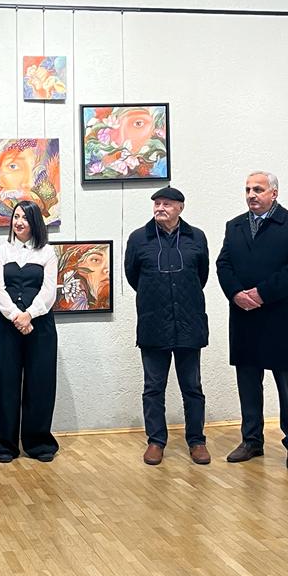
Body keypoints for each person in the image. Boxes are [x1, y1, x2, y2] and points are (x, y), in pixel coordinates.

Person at [216, 171, 288, 471]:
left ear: (274, 193)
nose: (251, 195)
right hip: (244, 316)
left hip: (281, 318)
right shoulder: (234, 226)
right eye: (247, 189)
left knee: (287, 385)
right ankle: (251, 441)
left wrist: (261, 294)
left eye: (258, 189)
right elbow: (223, 264)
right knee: (248, 383)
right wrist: (236, 293)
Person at [124, 186, 211, 466]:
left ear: (180, 208)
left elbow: (202, 276)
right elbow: (133, 277)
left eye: (167, 204)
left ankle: (196, 441)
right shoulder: (139, 238)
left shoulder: (197, 237)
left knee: (192, 387)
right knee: (153, 387)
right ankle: (156, 441)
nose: (160, 208)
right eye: (157, 203)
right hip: (153, 324)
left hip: (189, 323)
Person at [0, 200, 59, 463]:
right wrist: (16, 316)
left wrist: (30, 314)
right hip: (6, 325)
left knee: (40, 382)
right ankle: (3, 444)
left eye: (25, 218)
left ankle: (38, 442)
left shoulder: (47, 253)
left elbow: (49, 291)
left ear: (35, 222)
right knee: (5, 382)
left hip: (40, 325)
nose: (19, 222)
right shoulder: (2, 251)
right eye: (16, 217)